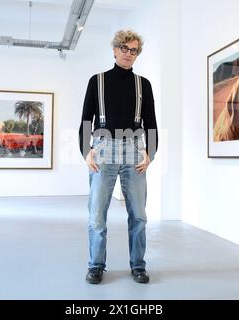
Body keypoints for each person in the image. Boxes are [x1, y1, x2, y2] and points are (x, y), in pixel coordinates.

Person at [79, 30, 158, 284]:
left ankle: (138, 265)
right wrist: (85, 151)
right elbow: (85, 119)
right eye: (124, 48)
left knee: (138, 215)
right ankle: (96, 266)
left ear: (137, 55)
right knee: (97, 215)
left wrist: (151, 154)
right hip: (102, 150)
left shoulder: (143, 85)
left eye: (133, 50)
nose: (128, 54)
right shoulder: (97, 81)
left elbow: (151, 123)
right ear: (114, 50)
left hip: (134, 151)